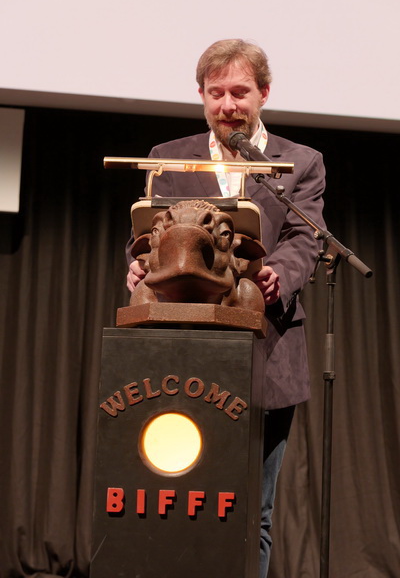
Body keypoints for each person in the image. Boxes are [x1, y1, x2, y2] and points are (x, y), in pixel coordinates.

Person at [126, 39, 326, 577]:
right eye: (216, 94)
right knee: (177, 501)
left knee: (252, 513)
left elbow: (305, 237)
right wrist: (138, 264)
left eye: (239, 92)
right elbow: (145, 235)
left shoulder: (300, 162)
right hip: (180, 351)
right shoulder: (168, 157)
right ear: (201, 95)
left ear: (264, 93)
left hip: (268, 351)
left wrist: (278, 274)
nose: (228, 105)